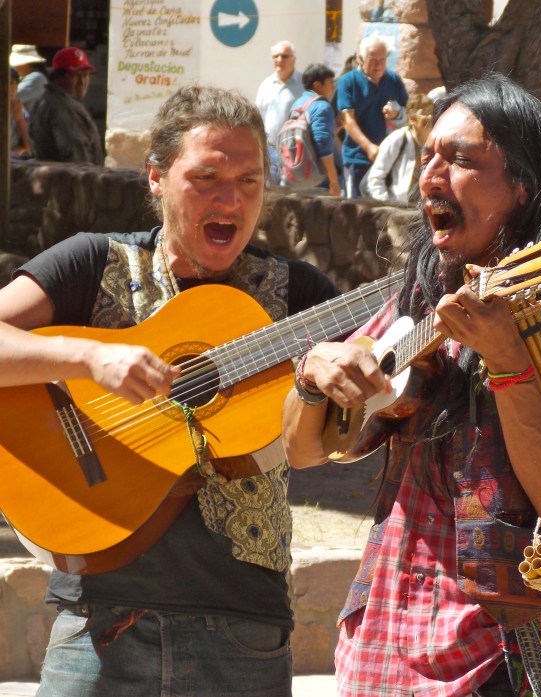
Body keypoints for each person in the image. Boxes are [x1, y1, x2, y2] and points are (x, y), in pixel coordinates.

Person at [281, 73, 541, 696]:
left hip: (502, 658)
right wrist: (313, 378)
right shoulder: (417, 305)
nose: (430, 176)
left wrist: (510, 364)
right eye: (429, 155)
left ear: (524, 187)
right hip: (378, 649)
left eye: (459, 160)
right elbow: (306, 450)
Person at [0, 85, 340, 696]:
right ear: (156, 177)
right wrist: (87, 356)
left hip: (245, 629)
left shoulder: (299, 298)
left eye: (249, 182)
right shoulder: (91, 264)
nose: (229, 199)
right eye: (206, 177)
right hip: (97, 621)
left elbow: (346, 434)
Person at [336, 35, 409, 198]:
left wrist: (397, 113)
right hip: (358, 158)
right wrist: (368, 146)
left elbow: (408, 111)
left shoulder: (393, 80)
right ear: (360, 59)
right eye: (373, 60)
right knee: (356, 210)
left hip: (389, 159)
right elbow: (348, 120)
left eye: (383, 60)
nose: (379, 65)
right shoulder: (349, 81)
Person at [28, 46, 103, 165]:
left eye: (85, 75)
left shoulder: (47, 99)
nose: (82, 82)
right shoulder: (63, 106)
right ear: (57, 77)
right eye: (75, 76)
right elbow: (77, 159)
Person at [362, 92, 433, 203]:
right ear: (412, 119)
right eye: (424, 113)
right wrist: (387, 207)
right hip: (396, 209)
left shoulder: (433, 144)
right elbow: (376, 177)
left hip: (420, 210)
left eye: (432, 112)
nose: (430, 117)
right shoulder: (399, 139)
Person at [283, 62, 342, 196]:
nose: (333, 87)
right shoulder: (322, 106)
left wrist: (335, 128)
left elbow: (309, 137)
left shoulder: (298, 104)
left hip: (295, 177)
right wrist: (334, 182)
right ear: (317, 85)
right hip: (318, 180)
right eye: (329, 82)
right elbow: (322, 144)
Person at [255, 40, 303, 184]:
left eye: (284, 56)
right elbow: (258, 116)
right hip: (269, 150)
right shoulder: (266, 84)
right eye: (275, 57)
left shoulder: (303, 84)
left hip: (294, 150)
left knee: (289, 196)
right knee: (269, 194)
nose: (279, 60)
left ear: (293, 60)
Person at [9, 44, 47, 114]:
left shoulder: (37, 78)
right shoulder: (25, 78)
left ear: (26, 64)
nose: (14, 67)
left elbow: (13, 97)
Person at [8, 68, 32, 158]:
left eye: (11, 83)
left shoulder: (21, 110)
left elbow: (29, 148)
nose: (8, 88)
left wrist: (20, 119)